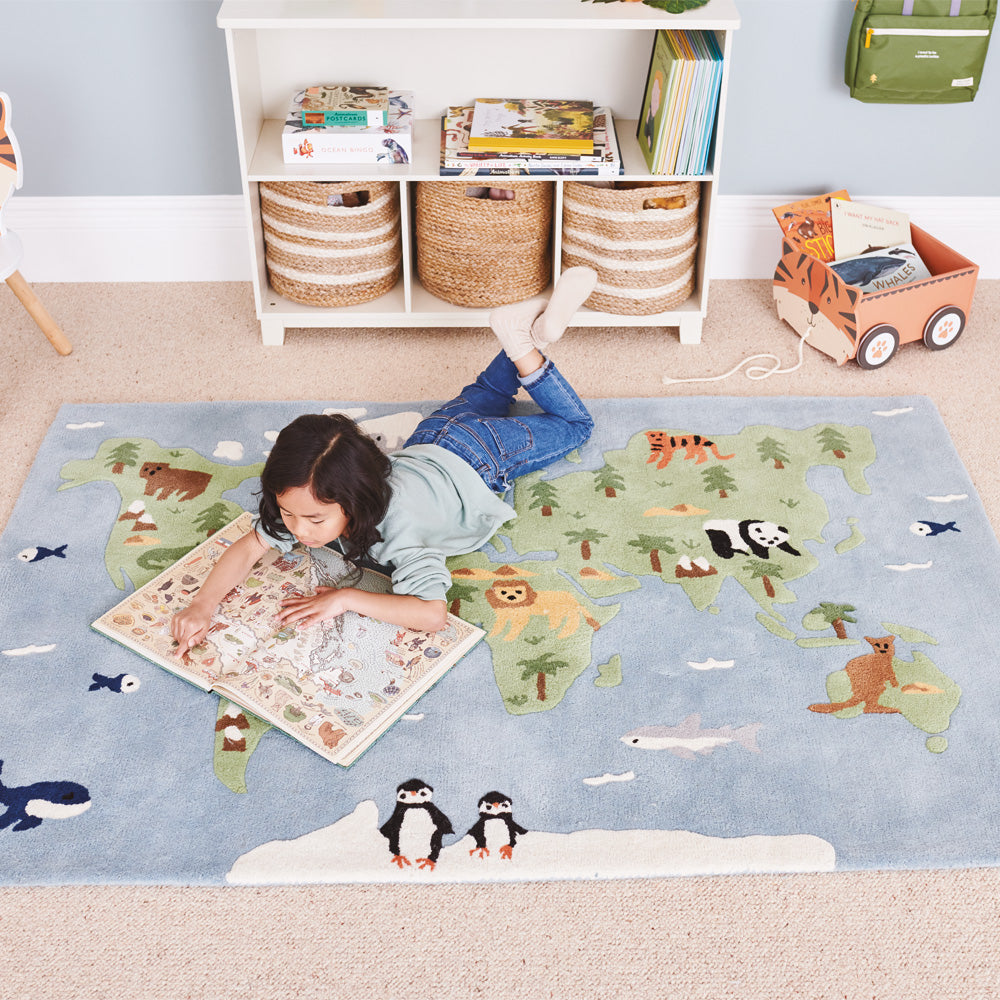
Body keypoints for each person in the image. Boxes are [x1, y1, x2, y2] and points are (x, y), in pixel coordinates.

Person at [169, 266, 598, 656]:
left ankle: (523, 340)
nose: (298, 530)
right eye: (288, 513)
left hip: (482, 454)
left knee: (576, 425)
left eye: (315, 520)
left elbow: (431, 614)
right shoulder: (310, 496)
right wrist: (202, 604)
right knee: (491, 390)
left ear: (354, 502)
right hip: (434, 434)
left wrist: (345, 598)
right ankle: (526, 336)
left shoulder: (398, 532)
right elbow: (250, 546)